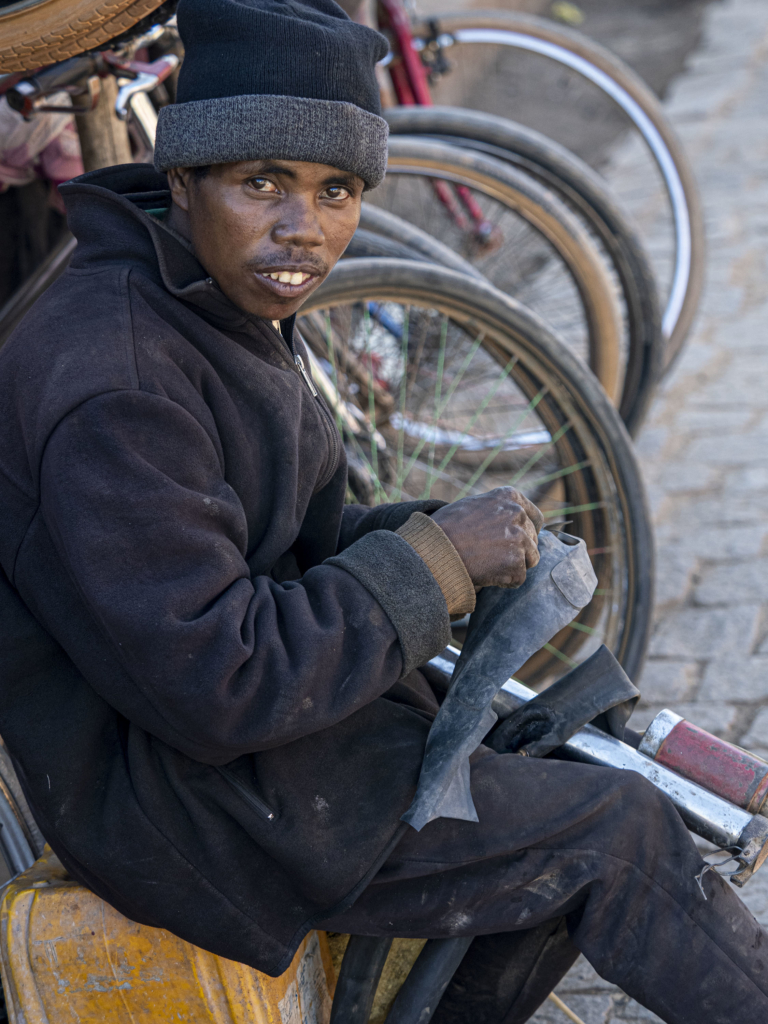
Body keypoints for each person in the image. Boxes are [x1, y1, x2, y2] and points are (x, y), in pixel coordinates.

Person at [0, 1, 766, 1021]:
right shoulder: (120, 383)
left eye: (336, 191)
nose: (302, 228)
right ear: (183, 179)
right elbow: (221, 680)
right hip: (188, 805)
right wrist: (434, 563)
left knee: (565, 749)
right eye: (263, 183)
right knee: (615, 832)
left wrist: (437, 535)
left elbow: (277, 547)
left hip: (256, 755)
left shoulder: (203, 295)